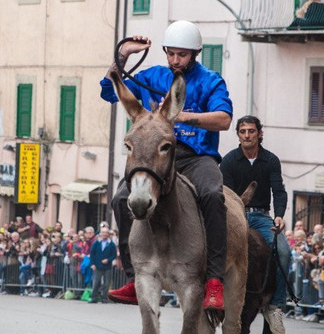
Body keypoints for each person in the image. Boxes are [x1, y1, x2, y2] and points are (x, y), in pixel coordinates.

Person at [99, 20, 233, 313]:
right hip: (154, 158)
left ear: (195, 53)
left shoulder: (211, 81)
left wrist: (183, 116)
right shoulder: (153, 76)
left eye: (182, 55)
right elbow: (110, 92)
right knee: (121, 199)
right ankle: (135, 279)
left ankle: (214, 281)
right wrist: (123, 57)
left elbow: (224, 120)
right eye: (171, 54)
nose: (175, 60)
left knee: (213, 194)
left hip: (196, 155)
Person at [219, 114, 288, 334]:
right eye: (242, 131)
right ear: (238, 135)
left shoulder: (271, 160)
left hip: (261, 216)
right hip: (234, 215)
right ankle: (212, 293)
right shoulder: (228, 160)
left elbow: (279, 191)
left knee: (284, 251)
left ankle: (275, 306)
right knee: (213, 245)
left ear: (259, 133)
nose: (247, 135)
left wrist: (279, 216)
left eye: (251, 131)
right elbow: (225, 195)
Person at [88, 224, 116, 303]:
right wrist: (92, 264)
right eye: (103, 232)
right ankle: (94, 298)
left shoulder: (111, 244)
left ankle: (104, 298)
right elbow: (92, 254)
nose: (105, 234)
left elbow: (114, 255)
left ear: (108, 234)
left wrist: (108, 259)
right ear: (100, 233)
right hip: (97, 266)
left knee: (106, 284)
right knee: (96, 282)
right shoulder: (96, 243)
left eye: (106, 233)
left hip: (107, 267)